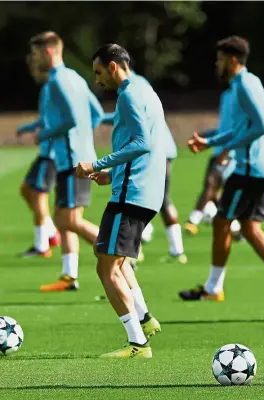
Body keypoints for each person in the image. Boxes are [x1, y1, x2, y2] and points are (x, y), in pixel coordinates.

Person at [179, 36, 264, 301]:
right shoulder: (238, 87)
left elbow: (260, 127)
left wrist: (227, 146)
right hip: (260, 167)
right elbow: (236, 129)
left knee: (222, 221)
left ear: (233, 60)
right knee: (248, 227)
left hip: (251, 168)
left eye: (220, 59)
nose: (217, 64)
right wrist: (209, 140)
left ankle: (213, 288)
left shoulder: (245, 84)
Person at [76, 43, 165, 358]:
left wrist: (98, 164)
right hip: (143, 190)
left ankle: (138, 343)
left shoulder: (129, 95)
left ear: (113, 67)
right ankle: (145, 318)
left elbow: (142, 143)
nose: (98, 80)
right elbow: (154, 145)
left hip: (132, 193)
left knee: (106, 267)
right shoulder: (145, 89)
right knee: (114, 259)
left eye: (99, 72)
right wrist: (112, 176)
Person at [29, 31, 104, 292]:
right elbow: (95, 113)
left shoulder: (57, 81)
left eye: (36, 53)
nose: (33, 58)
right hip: (76, 157)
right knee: (66, 218)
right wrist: (86, 141)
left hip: (72, 160)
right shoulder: (75, 77)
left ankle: (120, 253)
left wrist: (45, 134)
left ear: (48, 52)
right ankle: (69, 275)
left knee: (68, 220)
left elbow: (72, 118)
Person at [100, 72, 187, 263]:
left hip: (153, 153)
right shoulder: (142, 84)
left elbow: (137, 133)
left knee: (140, 198)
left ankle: (150, 246)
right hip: (164, 149)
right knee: (157, 200)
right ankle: (171, 247)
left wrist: (99, 119)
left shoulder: (130, 89)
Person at [183, 85, 242, 241]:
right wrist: (206, 138)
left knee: (212, 183)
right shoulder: (226, 95)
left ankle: (193, 219)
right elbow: (224, 128)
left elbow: (240, 128)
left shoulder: (243, 94)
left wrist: (227, 150)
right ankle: (236, 228)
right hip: (219, 150)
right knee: (214, 191)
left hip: (231, 152)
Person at [17, 54, 60, 258]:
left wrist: (43, 133)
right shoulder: (48, 87)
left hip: (51, 152)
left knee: (38, 195)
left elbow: (62, 118)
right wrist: (27, 127)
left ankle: (42, 245)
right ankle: (51, 233)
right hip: (46, 150)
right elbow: (46, 118)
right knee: (26, 190)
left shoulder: (54, 86)